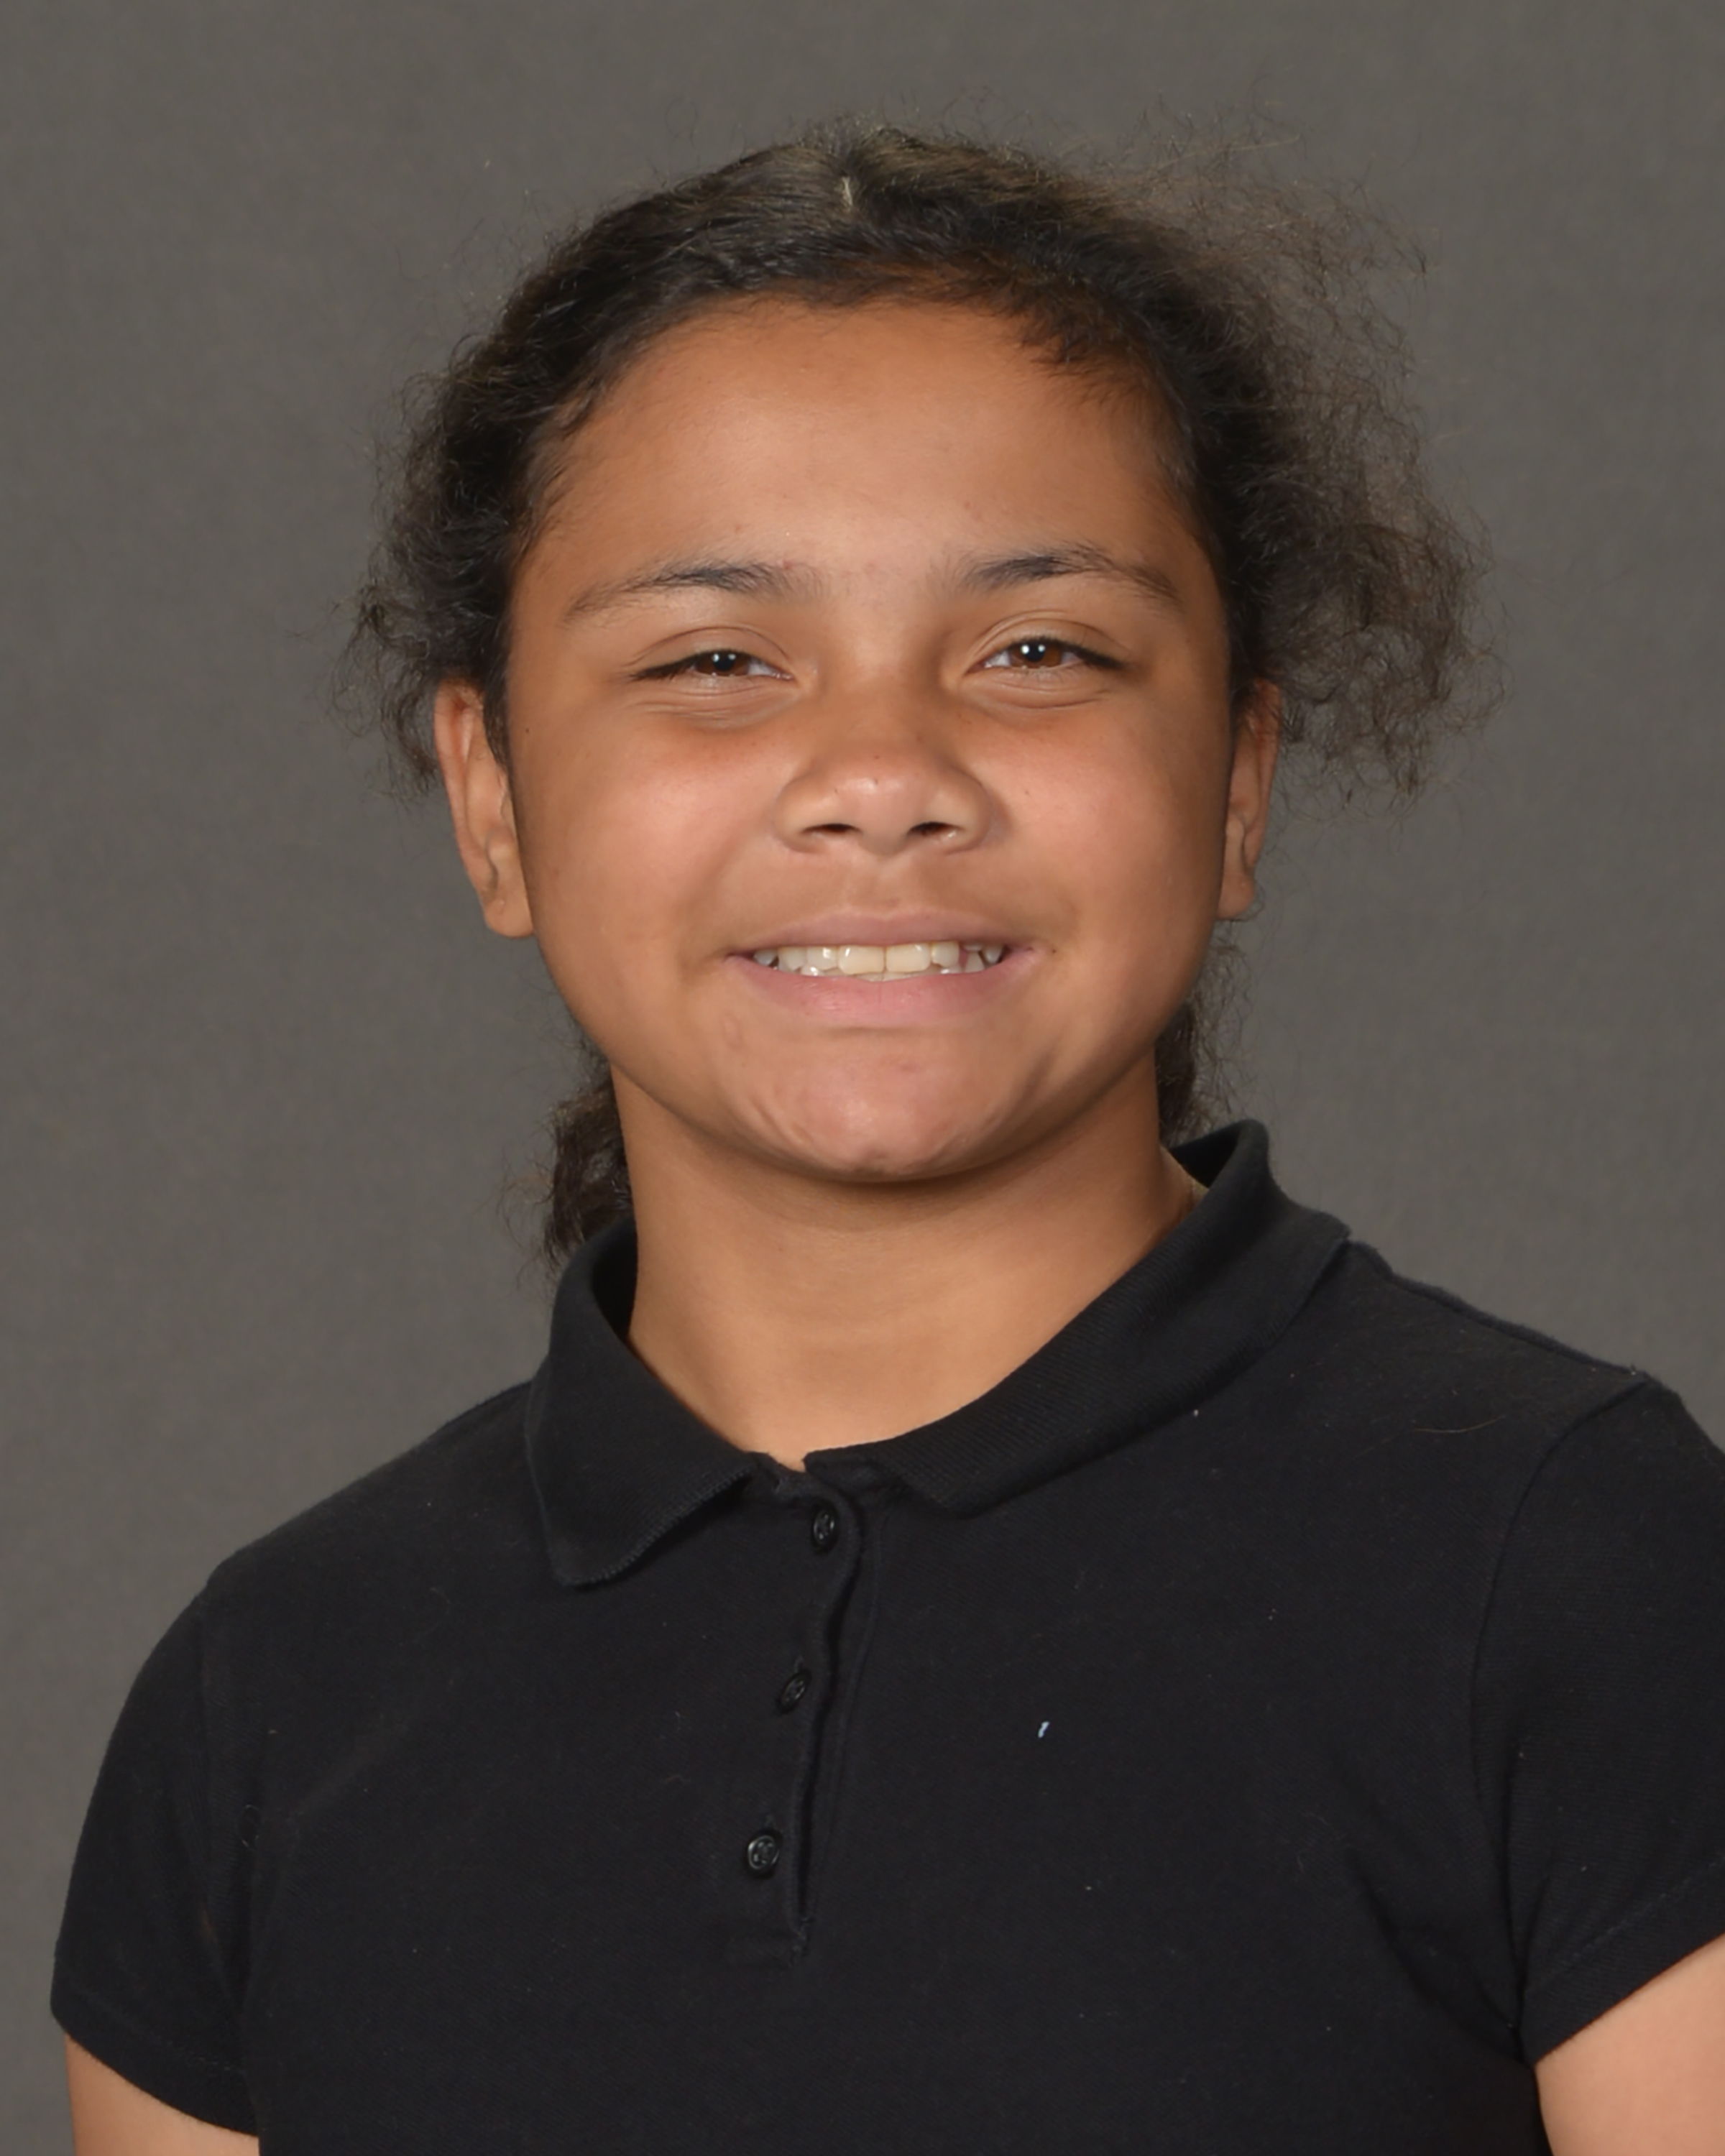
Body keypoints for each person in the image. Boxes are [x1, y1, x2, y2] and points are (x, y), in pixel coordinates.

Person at [54, 125, 1725, 2155]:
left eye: (1039, 651)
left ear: (1239, 778)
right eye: (714, 661)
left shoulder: (1587, 1570)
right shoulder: (268, 1703)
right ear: (491, 801)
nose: (879, 774)